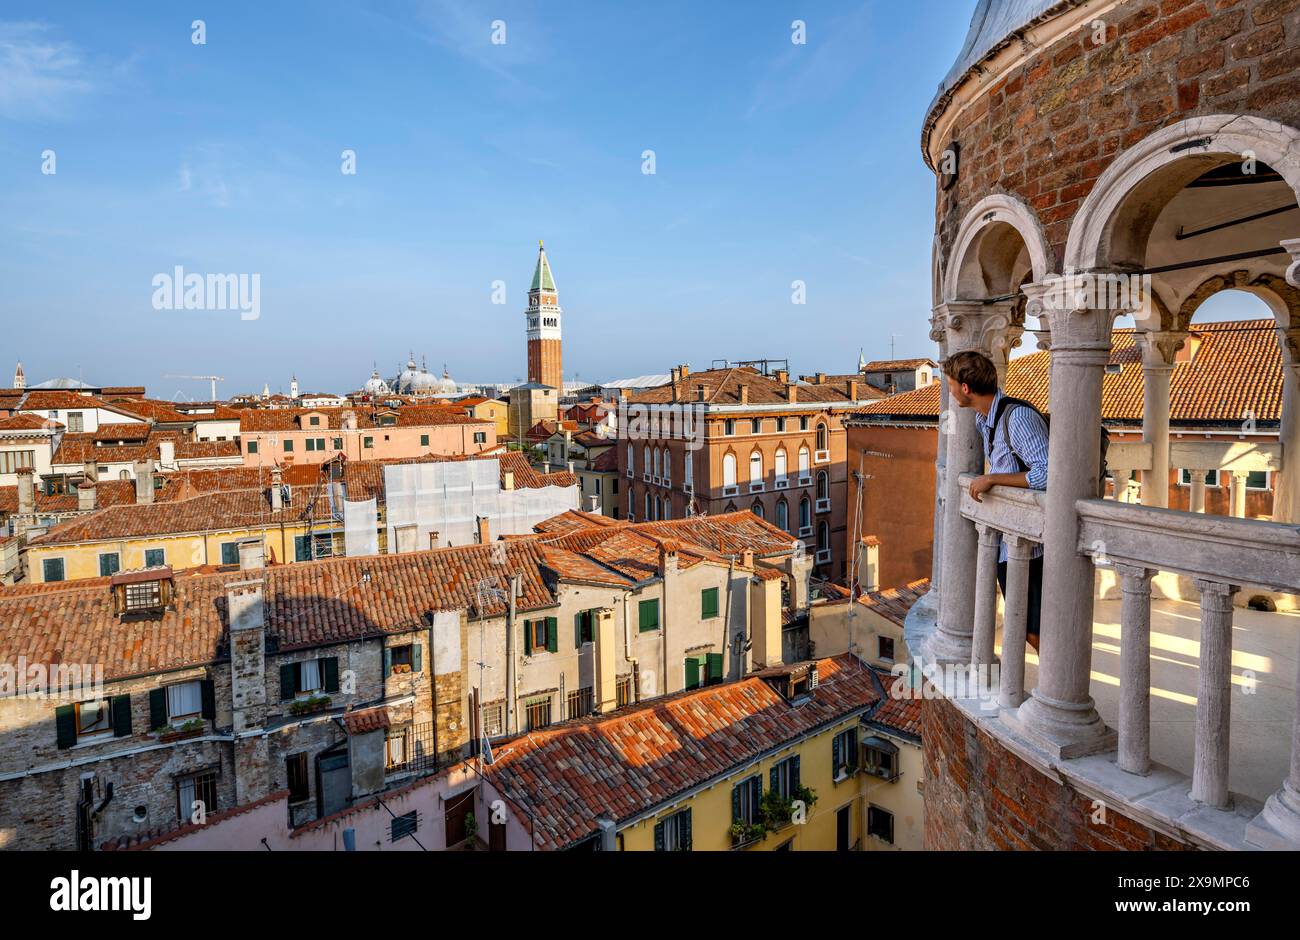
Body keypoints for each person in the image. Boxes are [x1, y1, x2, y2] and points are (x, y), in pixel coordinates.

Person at [943, 350, 1049, 652]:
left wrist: (992, 479)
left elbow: (1048, 474)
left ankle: (1056, 694)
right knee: (1026, 626)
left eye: (951, 384)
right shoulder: (983, 420)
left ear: (965, 388)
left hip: (1034, 544)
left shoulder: (1017, 418)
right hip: (1008, 540)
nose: (950, 391)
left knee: (1036, 629)